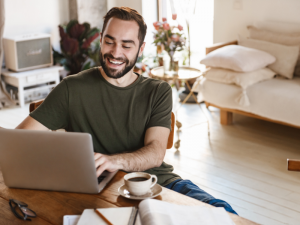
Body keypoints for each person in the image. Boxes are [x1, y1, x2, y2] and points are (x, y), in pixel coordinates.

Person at [16, 7, 237, 215]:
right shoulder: (71, 88)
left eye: (126, 45)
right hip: (100, 189)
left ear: (141, 49)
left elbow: (156, 153)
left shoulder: (158, 91)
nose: (115, 52)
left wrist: (115, 161)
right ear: (101, 40)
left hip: (158, 183)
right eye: (109, 42)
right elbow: (19, 141)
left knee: (223, 212)